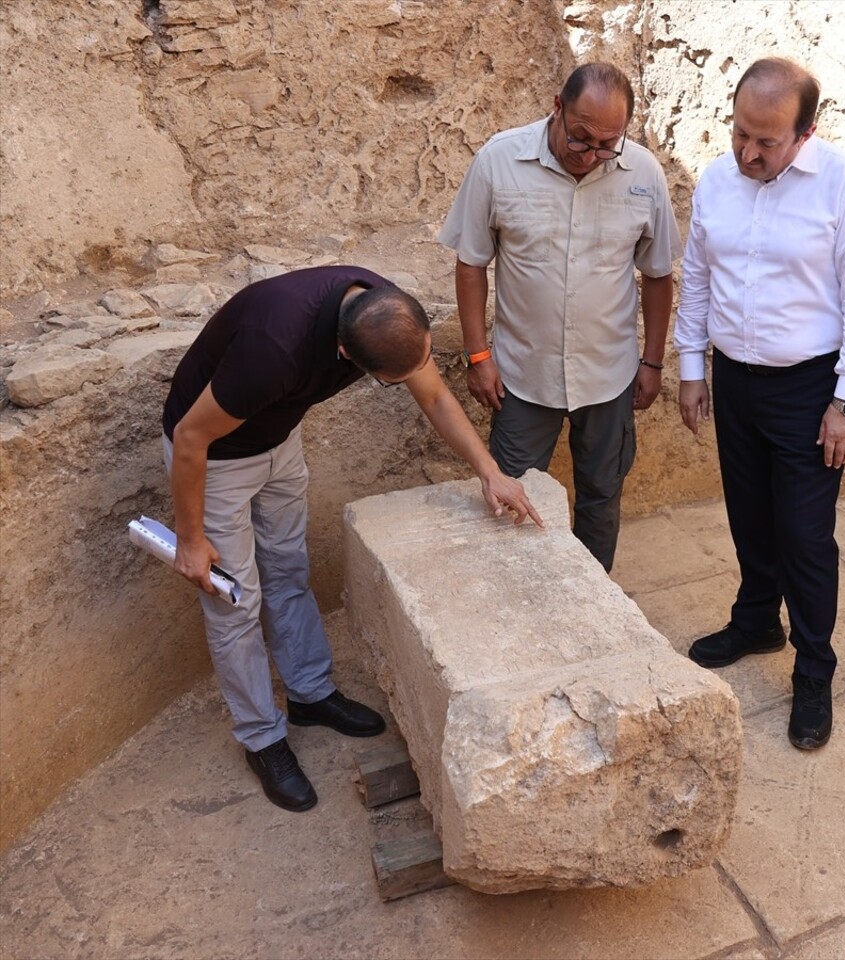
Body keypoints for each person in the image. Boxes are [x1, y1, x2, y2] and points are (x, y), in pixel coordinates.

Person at [163, 265, 542, 812]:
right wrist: (192, 538)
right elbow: (190, 437)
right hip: (215, 461)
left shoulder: (383, 309)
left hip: (279, 440)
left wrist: (488, 470)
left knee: (289, 570)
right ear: (346, 354)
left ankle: (310, 694)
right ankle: (261, 737)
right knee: (234, 601)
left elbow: (434, 397)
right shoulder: (274, 350)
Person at [674, 58, 845, 751]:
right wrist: (690, 366)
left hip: (809, 387)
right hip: (734, 379)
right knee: (748, 513)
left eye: (767, 141)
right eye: (740, 133)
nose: (748, 152)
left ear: (806, 132)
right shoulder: (716, 180)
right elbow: (698, 273)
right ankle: (755, 620)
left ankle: (815, 671)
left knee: (804, 533)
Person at [438, 62, 680, 573]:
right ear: (557, 107)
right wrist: (478, 355)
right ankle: (517, 606)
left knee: (601, 497)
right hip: (523, 377)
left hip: (609, 375)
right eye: (580, 138)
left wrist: (652, 363)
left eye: (606, 144)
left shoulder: (643, 174)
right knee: (510, 501)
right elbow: (471, 263)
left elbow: (658, 275)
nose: (591, 155)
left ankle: (596, 604)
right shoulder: (499, 162)